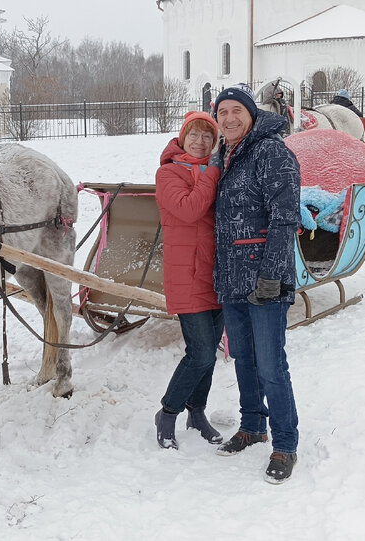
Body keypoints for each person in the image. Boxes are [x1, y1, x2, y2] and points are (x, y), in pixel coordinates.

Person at [211, 84, 302, 484]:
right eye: (222, 112)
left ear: (251, 114)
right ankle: (252, 426)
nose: (229, 118)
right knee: (243, 360)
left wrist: (272, 275)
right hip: (232, 277)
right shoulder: (226, 153)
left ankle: (284, 443)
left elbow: (285, 218)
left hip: (264, 277)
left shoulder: (271, 151)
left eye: (236, 111)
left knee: (270, 364)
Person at [152, 111, 226, 450]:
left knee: (209, 350)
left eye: (208, 136)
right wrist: (212, 173)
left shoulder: (215, 171)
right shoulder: (168, 173)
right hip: (187, 275)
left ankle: (197, 413)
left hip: (216, 273)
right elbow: (190, 209)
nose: (201, 141)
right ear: (182, 138)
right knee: (200, 354)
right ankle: (168, 412)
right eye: (194, 135)